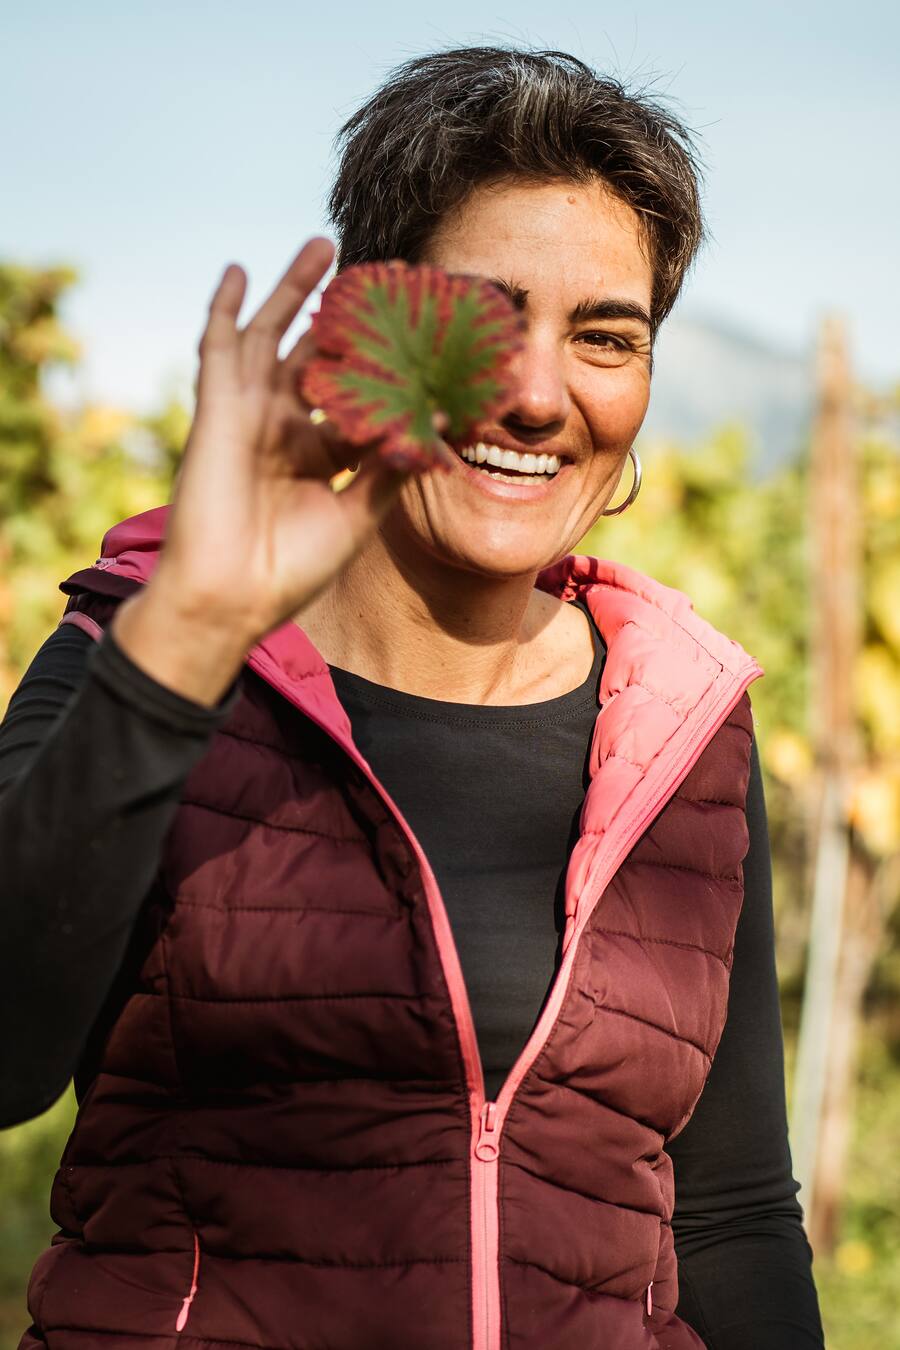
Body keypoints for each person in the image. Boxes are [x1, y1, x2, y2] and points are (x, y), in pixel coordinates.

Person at [1, 46, 824, 1350]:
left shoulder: (682, 721)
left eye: (605, 337)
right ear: (371, 327)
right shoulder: (143, 647)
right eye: (483, 323)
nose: (537, 395)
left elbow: (729, 1217)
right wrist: (194, 630)